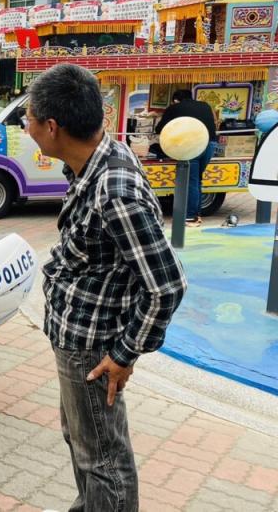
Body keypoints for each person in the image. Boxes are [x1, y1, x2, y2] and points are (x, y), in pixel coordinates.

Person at [24, 63, 187, 511]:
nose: (26, 125)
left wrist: (124, 354)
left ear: (52, 127)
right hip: (77, 338)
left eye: (30, 117)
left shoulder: (114, 189)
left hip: (95, 351)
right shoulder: (91, 163)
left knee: (103, 459)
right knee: (83, 443)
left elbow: (167, 284)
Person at [155, 89, 218, 227]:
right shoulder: (205, 106)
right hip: (210, 144)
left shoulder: (174, 108)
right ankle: (196, 214)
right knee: (196, 180)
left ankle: (190, 217)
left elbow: (159, 129)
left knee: (191, 181)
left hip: (192, 146)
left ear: (176, 100)